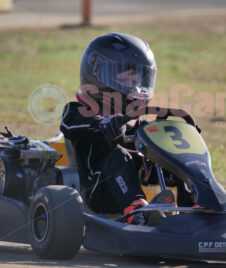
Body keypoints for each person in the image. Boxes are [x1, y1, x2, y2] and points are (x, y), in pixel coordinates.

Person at [60, 33, 175, 225]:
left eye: (138, 81)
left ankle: (196, 205)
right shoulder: (77, 111)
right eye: (127, 81)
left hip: (138, 185)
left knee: (170, 156)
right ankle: (135, 213)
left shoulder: (140, 123)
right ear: (97, 76)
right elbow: (73, 126)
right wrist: (104, 124)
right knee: (118, 154)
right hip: (97, 193)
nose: (136, 89)